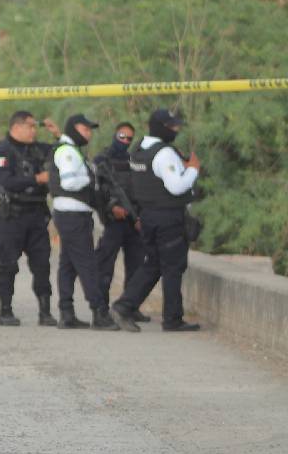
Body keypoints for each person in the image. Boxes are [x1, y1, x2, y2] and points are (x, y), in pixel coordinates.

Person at [112, 109, 203, 332]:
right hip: (167, 218)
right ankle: (173, 319)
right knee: (172, 267)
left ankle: (123, 307)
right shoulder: (164, 154)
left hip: (149, 216)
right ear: (161, 127)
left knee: (153, 264)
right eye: (172, 126)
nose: (176, 129)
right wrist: (193, 170)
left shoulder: (139, 149)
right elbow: (176, 186)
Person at [47, 114, 120, 330]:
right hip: (73, 215)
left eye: (90, 130)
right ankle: (99, 313)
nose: (88, 133)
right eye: (84, 129)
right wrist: (90, 178)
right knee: (87, 264)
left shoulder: (71, 149)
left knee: (68, 265)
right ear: (73, 129)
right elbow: (69, 182)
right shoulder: (68, 152)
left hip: (71, 214)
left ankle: (66, 313)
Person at [0, 111, 61, 326]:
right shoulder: (2, 150)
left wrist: (58, 136)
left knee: (42, 265)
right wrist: (37, 178)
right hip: (12, 215)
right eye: (30, 126)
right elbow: (6, 181)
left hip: (37, 214)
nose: (34, 130)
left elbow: (65, 154)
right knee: (8, 264)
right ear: (16, 127)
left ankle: (45, 312)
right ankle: (5, 311)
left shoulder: (39, 148)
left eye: (35, 126)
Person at [93, 123, 150, 322]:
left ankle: (130, 307)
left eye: (128, 138)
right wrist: (111, 208)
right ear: (115, 134)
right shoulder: (102, 160)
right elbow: (98, 192)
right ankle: (101, 308)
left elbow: (140, 189)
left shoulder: (133, 159)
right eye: (122, 137)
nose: (125, 141)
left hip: (134, 221)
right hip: (114, 221)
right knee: (105, 264)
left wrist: (140, 217)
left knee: (136, 265)